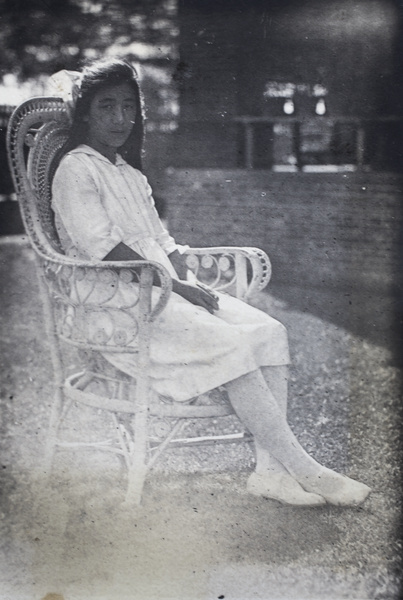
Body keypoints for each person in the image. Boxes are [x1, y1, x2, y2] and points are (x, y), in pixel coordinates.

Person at [50, 58, 371, 507]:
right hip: (117, 306)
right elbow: (104, 250)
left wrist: (185, 273)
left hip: (162, 290)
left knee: (269, 332)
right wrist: (178, 288)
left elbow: (160, 239)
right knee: (235, 347)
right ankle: (308, 471)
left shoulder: (129, 172)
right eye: (107, 107)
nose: (121, 119)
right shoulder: (75, 169)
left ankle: (271, 474)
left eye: (128, 107)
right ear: (85, 113)